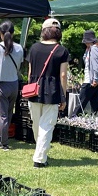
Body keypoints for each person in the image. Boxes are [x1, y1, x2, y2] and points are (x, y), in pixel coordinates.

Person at [25, 18, 69, 168]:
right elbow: (63, 75)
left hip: (34, 89)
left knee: (36, 124)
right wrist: (64, 95)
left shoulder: (34, 48)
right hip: (52, 90)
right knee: (46, 125)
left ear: (44, 31)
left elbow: (30, 71)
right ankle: (39, 158)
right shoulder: (61, 50)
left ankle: (40, 153)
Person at [0, 20, 24, 151]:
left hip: (1, 84)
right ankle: (4, 136)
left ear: (0, 33)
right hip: (14, 84)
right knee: (9, 114)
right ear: (13, 33)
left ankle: (3, 143)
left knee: (2, 115)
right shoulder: (19, 48)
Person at [73, 30, 98, 117]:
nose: (85, 43)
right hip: (91, 80)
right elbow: (86, 61)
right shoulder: (90, 49)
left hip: (90, 81)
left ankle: (73, 118)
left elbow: (96, 65)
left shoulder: (94, 49)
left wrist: (95, 79)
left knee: (81, 103)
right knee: (95, 104)